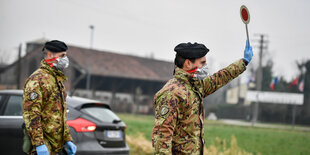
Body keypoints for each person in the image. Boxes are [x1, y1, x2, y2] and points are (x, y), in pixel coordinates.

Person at [152, 40, 253, 154]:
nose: (205, 67)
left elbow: (219, 78)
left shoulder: (194, 87)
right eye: (202, 63)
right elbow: (162, 136)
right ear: (188, 63)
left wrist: (243, 62)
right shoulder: (171, 93)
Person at [22, 40, 77, 155]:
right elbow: (31, 114)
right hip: (43, 146)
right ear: (50, 55)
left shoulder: (56, 79)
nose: (65, 59)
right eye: (62, 56)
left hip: (55, 146)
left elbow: (60, 115)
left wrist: (67, 139)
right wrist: (39, 144)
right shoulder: (37, 79)